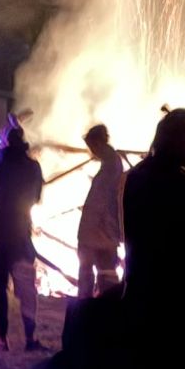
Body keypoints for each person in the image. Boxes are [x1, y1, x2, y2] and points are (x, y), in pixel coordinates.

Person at [121, 108, 185, 369]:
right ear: (180, 140)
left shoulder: (140, 175)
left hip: (142, 296)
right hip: (169, 305)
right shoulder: (173, 186)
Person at [0, 122, 46, 350]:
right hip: (20, 236)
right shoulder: (32, 167)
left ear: (4, 142)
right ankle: (30, 338)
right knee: (27, 290)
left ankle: (3, 339)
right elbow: (36, 198)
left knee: (0, 291)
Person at [75, 123, 126, 298]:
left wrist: (91, 230)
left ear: (97, 143)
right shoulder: (111, 163)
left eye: (91, 146)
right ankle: (103, 305)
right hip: (102, 230)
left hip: (99, 229)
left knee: (95, 271)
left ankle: (89, 305)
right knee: (103, 271)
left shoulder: (111, 165)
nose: (92, 151)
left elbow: (102, 200)